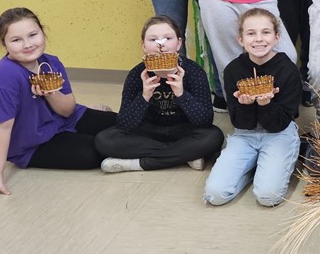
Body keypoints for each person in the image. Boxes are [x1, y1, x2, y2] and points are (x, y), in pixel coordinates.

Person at [0, 8, 117, 198]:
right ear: (4, 43)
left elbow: (67, 110)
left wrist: (51, 94)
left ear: (42, 31)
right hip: (34, 144)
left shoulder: (51, 62)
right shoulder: (2, 80)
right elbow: (2, 129)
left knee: (121, 122)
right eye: (16, 40)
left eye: (33, 35)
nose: (28, 44)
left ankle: (104, 120)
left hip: (65, 120)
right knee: (93, 152)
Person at [94, 15, 224, 173]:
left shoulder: (193, 71)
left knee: (214, 137)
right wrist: (144, 96)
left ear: (178, 43)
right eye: (153, 39)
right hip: (148, 132)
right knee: (104, 140)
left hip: (184, 130)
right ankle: (185, 155)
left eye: (168, 38)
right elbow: (123, 124)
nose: (160, 45)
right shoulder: (137, 74)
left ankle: (137, 164)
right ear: (144, 46)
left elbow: (205, 121)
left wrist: (181, 95)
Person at [203, 9, 302, 207]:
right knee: (215, 195)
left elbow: (282, 122)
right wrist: (245, 105)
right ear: (241, 39)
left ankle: (268, 168)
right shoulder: (233, 70)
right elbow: (239, 122)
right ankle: (252, 169)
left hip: (279, 133)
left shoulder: (288, 69)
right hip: (245, 134)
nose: (258, 39)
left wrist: (266, 104)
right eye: (251, 33)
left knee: (267, 197)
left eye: (265, 32)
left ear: (276, 37)